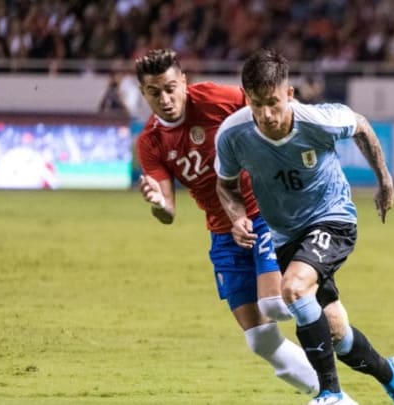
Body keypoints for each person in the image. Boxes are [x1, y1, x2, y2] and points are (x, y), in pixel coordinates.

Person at [215, 48, 394, 405]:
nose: (266, 114)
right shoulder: (233, 135)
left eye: (273, 102)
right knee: (337, 336)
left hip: (333, 219)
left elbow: (362, 127)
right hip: (286, 235)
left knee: (292, 288)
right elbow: (226, 186)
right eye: (257, 103)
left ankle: (331, 394)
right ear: (246, 98)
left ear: (289, 94)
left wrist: (384, 180)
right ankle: (392, 375)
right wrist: (236, 216)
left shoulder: (318, 121)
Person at [133, 49, 319, 397]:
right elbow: (168, 213)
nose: (166, 98)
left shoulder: (216, 98)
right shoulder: (150, 143)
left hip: (263, 212)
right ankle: (332, 393)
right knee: (260, 341)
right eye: (154, 92)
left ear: (184, 82)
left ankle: (332, 317)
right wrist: (157, 203)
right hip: (222, 232)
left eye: (171, 88)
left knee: (275, 304)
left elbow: (268, 104)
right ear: (143, 94)